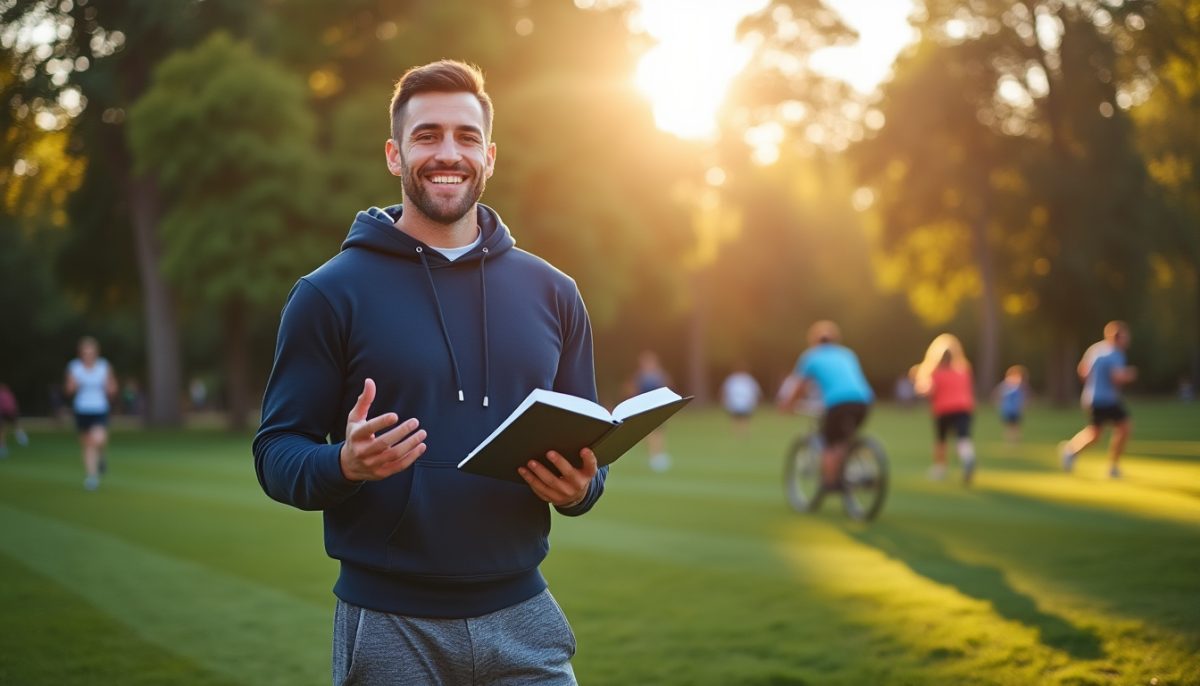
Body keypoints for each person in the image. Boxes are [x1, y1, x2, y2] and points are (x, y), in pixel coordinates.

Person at [253, 60, 604, 685]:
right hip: (389, 623)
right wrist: (342, 464)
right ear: (394, 154)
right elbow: (276, 452)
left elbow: (590, 452)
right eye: (427, 135)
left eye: (466, 137)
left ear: (490, 157)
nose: (449, 153)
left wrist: (582, 489)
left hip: (524, 616)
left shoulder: (555, 293)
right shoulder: (329, 294)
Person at [777, 320, 874, 494]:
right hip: (864, 400)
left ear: (813, 341)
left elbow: (800, 386)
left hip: (838, 402)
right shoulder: (847, 354)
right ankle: (854, 468)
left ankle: (831, 483)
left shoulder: (811, 357)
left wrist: (788, 406)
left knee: (829, 442)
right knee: (844, 439)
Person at [1060, 320, 1137, 478]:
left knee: (1098, 433)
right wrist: (1130, 375)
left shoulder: (1095, 349)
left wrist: (1094, 383)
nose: (1127, 339)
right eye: (1125, 336)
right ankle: (1112, 466)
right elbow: (1116, 377)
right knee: (1120, 428)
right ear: (1118, 337)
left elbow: (1082, 370)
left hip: (1092, 397)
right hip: (1106, 399)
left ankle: (1071, 451)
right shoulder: (1115, 353)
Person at [912, 333, 977, 485]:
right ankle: (968, 458)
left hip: (944, 410)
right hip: (964, 408)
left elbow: (928, 390)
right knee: (963, 438)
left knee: (941, 440)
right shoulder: (963, 371)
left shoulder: (936, 373)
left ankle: (940, 468)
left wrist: (919, 387)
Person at [65, 336, 117, 490]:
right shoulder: (75, 367)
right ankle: (91, 476)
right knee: (87, 444)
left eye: (91, 352)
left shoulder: (103, 366)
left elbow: (112, 387)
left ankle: (101, 456)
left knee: (99, 439)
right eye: (85, 352)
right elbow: (69, 390)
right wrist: (74, 385)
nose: (88, 355)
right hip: (82, 409)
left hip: (100, 408)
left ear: (96, 353)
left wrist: (110, 389)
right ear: (81, 353)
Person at [628, 350, 673, 472]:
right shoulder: (639, 376)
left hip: (658, 407)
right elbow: (633, 391)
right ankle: (654, 456)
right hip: (645, 408)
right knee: (649, 433)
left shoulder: (659, 375)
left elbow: (666, 389)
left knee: (659, 432)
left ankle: (658, 455)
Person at [720, 361, 763, 436]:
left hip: (742, 402)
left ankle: (739, 432)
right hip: (738, 402)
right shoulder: (736, 379)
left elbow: (755, 390)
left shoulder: (742, 379)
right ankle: (740, 432)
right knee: (740, 417)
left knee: (740, 417)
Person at [994, 365, 1029, 443]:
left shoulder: (1021, 386)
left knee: (1016, 426)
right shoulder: (1005, 385)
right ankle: (1009, 441)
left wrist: (1023, 405)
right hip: (1007, 410)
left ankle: (1015, 441)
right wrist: (999, 404)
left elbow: (1024, 397)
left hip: (1016, 410)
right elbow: (998, 394)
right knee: (1008, 427)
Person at [0, 382, 30, 457]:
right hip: (10, 412)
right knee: (14, 427)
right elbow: (14, 404)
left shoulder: (3, 394)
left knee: (3, 429)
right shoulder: (9, 394)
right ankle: (22, 439)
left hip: (5, 412)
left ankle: (3, 448)